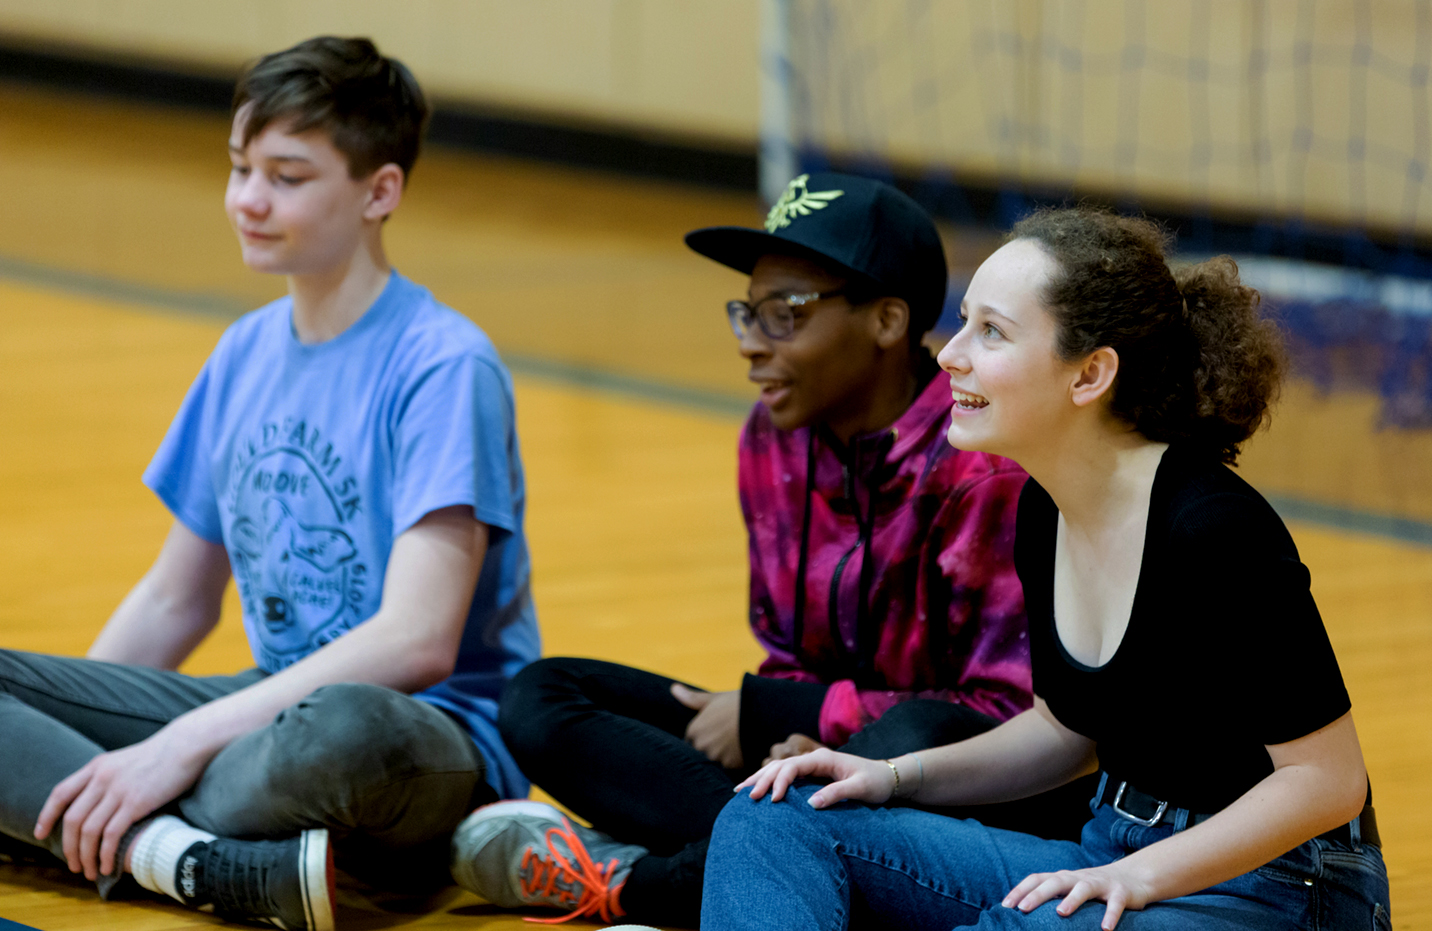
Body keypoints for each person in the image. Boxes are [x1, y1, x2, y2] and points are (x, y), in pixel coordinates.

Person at [700, 206, 1392, 930]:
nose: (949, 354)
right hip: (1111, 848)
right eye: (962, 321)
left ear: (1090, 374)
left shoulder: (1213, 527)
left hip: (1280, 887)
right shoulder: (1043, 507)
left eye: (991, 332)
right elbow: (1062, 730)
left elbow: (1327, 780)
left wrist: (1138, 874)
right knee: (776, 819)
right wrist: (888, 776)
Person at [0, 37, 539, 931]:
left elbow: (418, 641)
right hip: (261, 719)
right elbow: (176, 597)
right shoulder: (243, 352)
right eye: (240, 168)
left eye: (287, 176)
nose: (248, 200)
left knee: (342, 732)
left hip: (414, 738)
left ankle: (88, 833)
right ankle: (190, 860)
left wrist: (167, 748)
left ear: (380, 192)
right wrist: (100, 757)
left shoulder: (444, 363)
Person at [449, 173, 1068, 928]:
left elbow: (1004, 711)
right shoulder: (771, 439)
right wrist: (781, 730)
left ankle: (650, 882)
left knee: (917, 732)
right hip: (820, 750)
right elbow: (788, 646)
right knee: (543, 696)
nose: (748, 341)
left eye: (785, 314)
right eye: (748, 310)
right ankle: (769, 851)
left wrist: (797, 715)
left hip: (950, 773)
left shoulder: (984, 467)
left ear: (887, 321)